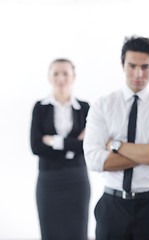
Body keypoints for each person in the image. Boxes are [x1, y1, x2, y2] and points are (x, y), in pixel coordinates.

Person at [84, 36, 149, 240]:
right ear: (122, 65)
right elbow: (94, 160)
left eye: (145, 67)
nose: (138, 73)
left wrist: (115, 146)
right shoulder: (103, 105)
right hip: (112, 205)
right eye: (132, 66)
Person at [30, 58, 90, 240]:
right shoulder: (40, 108)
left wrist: (54, 141)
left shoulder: (84, 108)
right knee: (50, 232)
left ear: (73, 77)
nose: (61, 78)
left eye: (66, 73)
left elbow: (87, 146)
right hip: (49, 180)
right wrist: (72, 145)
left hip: (76, 179)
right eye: (56, 73)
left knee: (78, 233)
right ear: (49, 77)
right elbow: (36, 146)